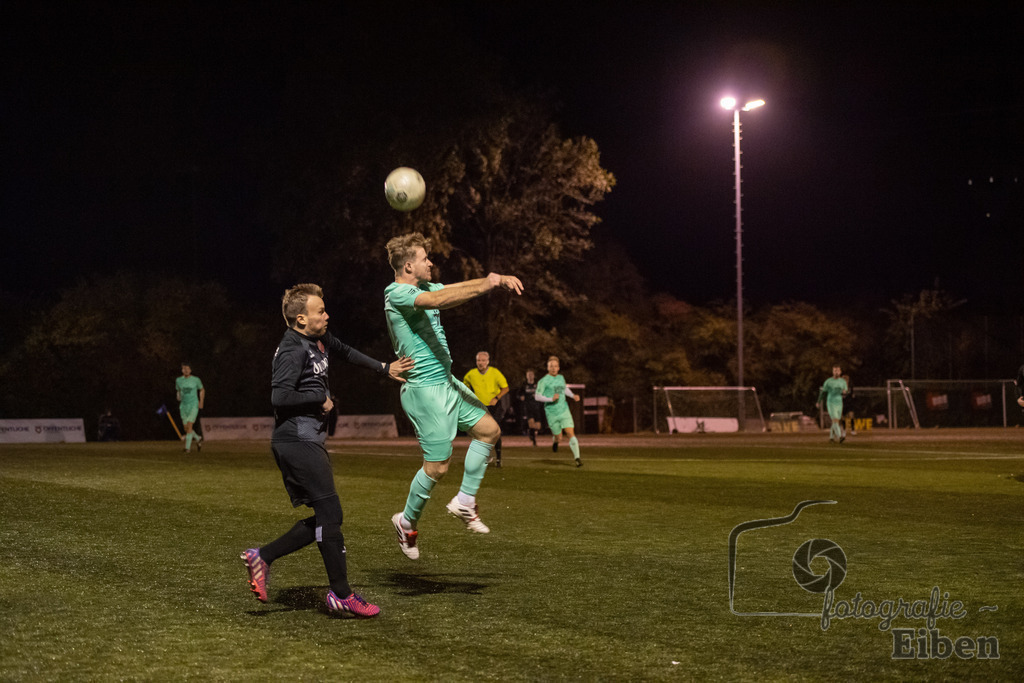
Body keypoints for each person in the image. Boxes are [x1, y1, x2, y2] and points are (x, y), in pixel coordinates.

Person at [240, 283, 412, 618]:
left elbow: (346, 351)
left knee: (326, 517)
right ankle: (341, 594)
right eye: (320, 311)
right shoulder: (292, 348)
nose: (327, 314)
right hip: (296, 441)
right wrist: (319, 398)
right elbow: (279, 397)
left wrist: (384, 367)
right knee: (331, 515)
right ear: (301, 318)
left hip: (306, 440)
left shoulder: (318, 339)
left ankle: (263, 557)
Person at [384, 232, 523, 561]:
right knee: (438, 467)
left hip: (447, 383)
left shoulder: (424, 287)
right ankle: (406, 522)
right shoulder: (396, 293)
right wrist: (490, 282)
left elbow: (450, 293)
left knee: (489, 431)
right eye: (423, 259)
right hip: (425, 392)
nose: (430, 262)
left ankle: (464, 501)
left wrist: (494, 280)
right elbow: (437, 301)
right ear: (408, 265)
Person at [462, 351, 509, 467]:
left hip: (494, 407)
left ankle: (498, 459)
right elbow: (464, 386)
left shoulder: (495, 373)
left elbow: (505, 388)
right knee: (479, 432)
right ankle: (485, 456)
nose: (481, 363)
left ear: (487, 361)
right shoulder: (471, 374)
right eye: (479, 360)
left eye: (483, 360)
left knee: (495, 432)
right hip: (479, 407)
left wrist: (497, 398)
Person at [535, 356, 583, 467]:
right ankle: (555, 441)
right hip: (551, 412)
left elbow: (563, 389)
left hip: (564, 410)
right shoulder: (543, 381)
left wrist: (572, 395)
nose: (553, 368)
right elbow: (537, 396)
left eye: (555, 366)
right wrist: (550, 399)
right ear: (547, 367)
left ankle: (577, 458)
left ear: (558, 368)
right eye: (551, 366)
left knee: (570, 433)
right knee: (559, 437)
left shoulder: (561, 378)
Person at [175, 362, 204, 453]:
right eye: (184, 369)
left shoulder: (196, 380)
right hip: (183, 406)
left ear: (190, 370)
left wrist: (201, 401)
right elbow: (178, 390)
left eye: (188, 369)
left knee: (190, 425)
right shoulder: (178, 380)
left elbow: (202, 389)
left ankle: (187, 448)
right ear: (182, 370)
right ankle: (198, 438)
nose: (186, 370)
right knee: (186, 428)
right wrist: (178, 396)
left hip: (193, 405)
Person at [816, 364, 849, 443]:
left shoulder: (843, 381)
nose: (836, 372)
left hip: (839, 402)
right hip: (831, 402)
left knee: (836, 420)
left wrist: (845, 392)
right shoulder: (828, 381)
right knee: (835, 420)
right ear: (832, 372)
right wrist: (818, 401)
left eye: (837, 371)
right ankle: (840, 436)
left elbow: (846, 391)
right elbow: (823, 392)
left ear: (840, 372)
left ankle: (831, 437)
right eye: (834, 371)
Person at [515, 369, 542, 446]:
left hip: (536, 407)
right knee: (531, 424)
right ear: (526, 376)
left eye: (531, 375)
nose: (530, 376)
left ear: (533, 376)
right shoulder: (524, 385)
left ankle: (530, 432)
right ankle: (533, 440)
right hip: (528, 407)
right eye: (528, 375)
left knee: (538, 426)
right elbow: (517, 395)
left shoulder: (537, 384)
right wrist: (521, 397)